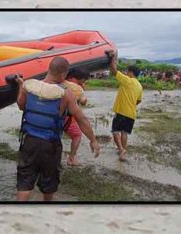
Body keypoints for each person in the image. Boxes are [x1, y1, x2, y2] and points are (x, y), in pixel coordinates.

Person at [15, 57, 100, 201]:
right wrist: (93, 140)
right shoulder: (66, 94)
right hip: (50, 145)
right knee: (49, 184)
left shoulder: (27, 87)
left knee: (25, 184)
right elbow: (81, 119)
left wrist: (20, 86)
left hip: (29, 142)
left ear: (49, 69)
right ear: (63, 75)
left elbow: (21, 105)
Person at [108, 51, 143, 162]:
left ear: (131, 72)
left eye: (127, 71)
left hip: (121, 112)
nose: (126, 73)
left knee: (115, 131)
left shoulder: (127, 81)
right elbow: (138, 101)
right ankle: (122, 150)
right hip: (131, 114)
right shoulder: (140, 86)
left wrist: (112, 57)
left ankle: (121, 149)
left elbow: (114, 70)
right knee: (124, 133)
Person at [63, 68, 89, 166]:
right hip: (67, 117)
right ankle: (71, 158)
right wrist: (82, 89)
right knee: (77, 135)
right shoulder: (77, 88)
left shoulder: (60, 82)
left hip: (54, 115)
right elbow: (83, 101)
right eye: (84, 80)